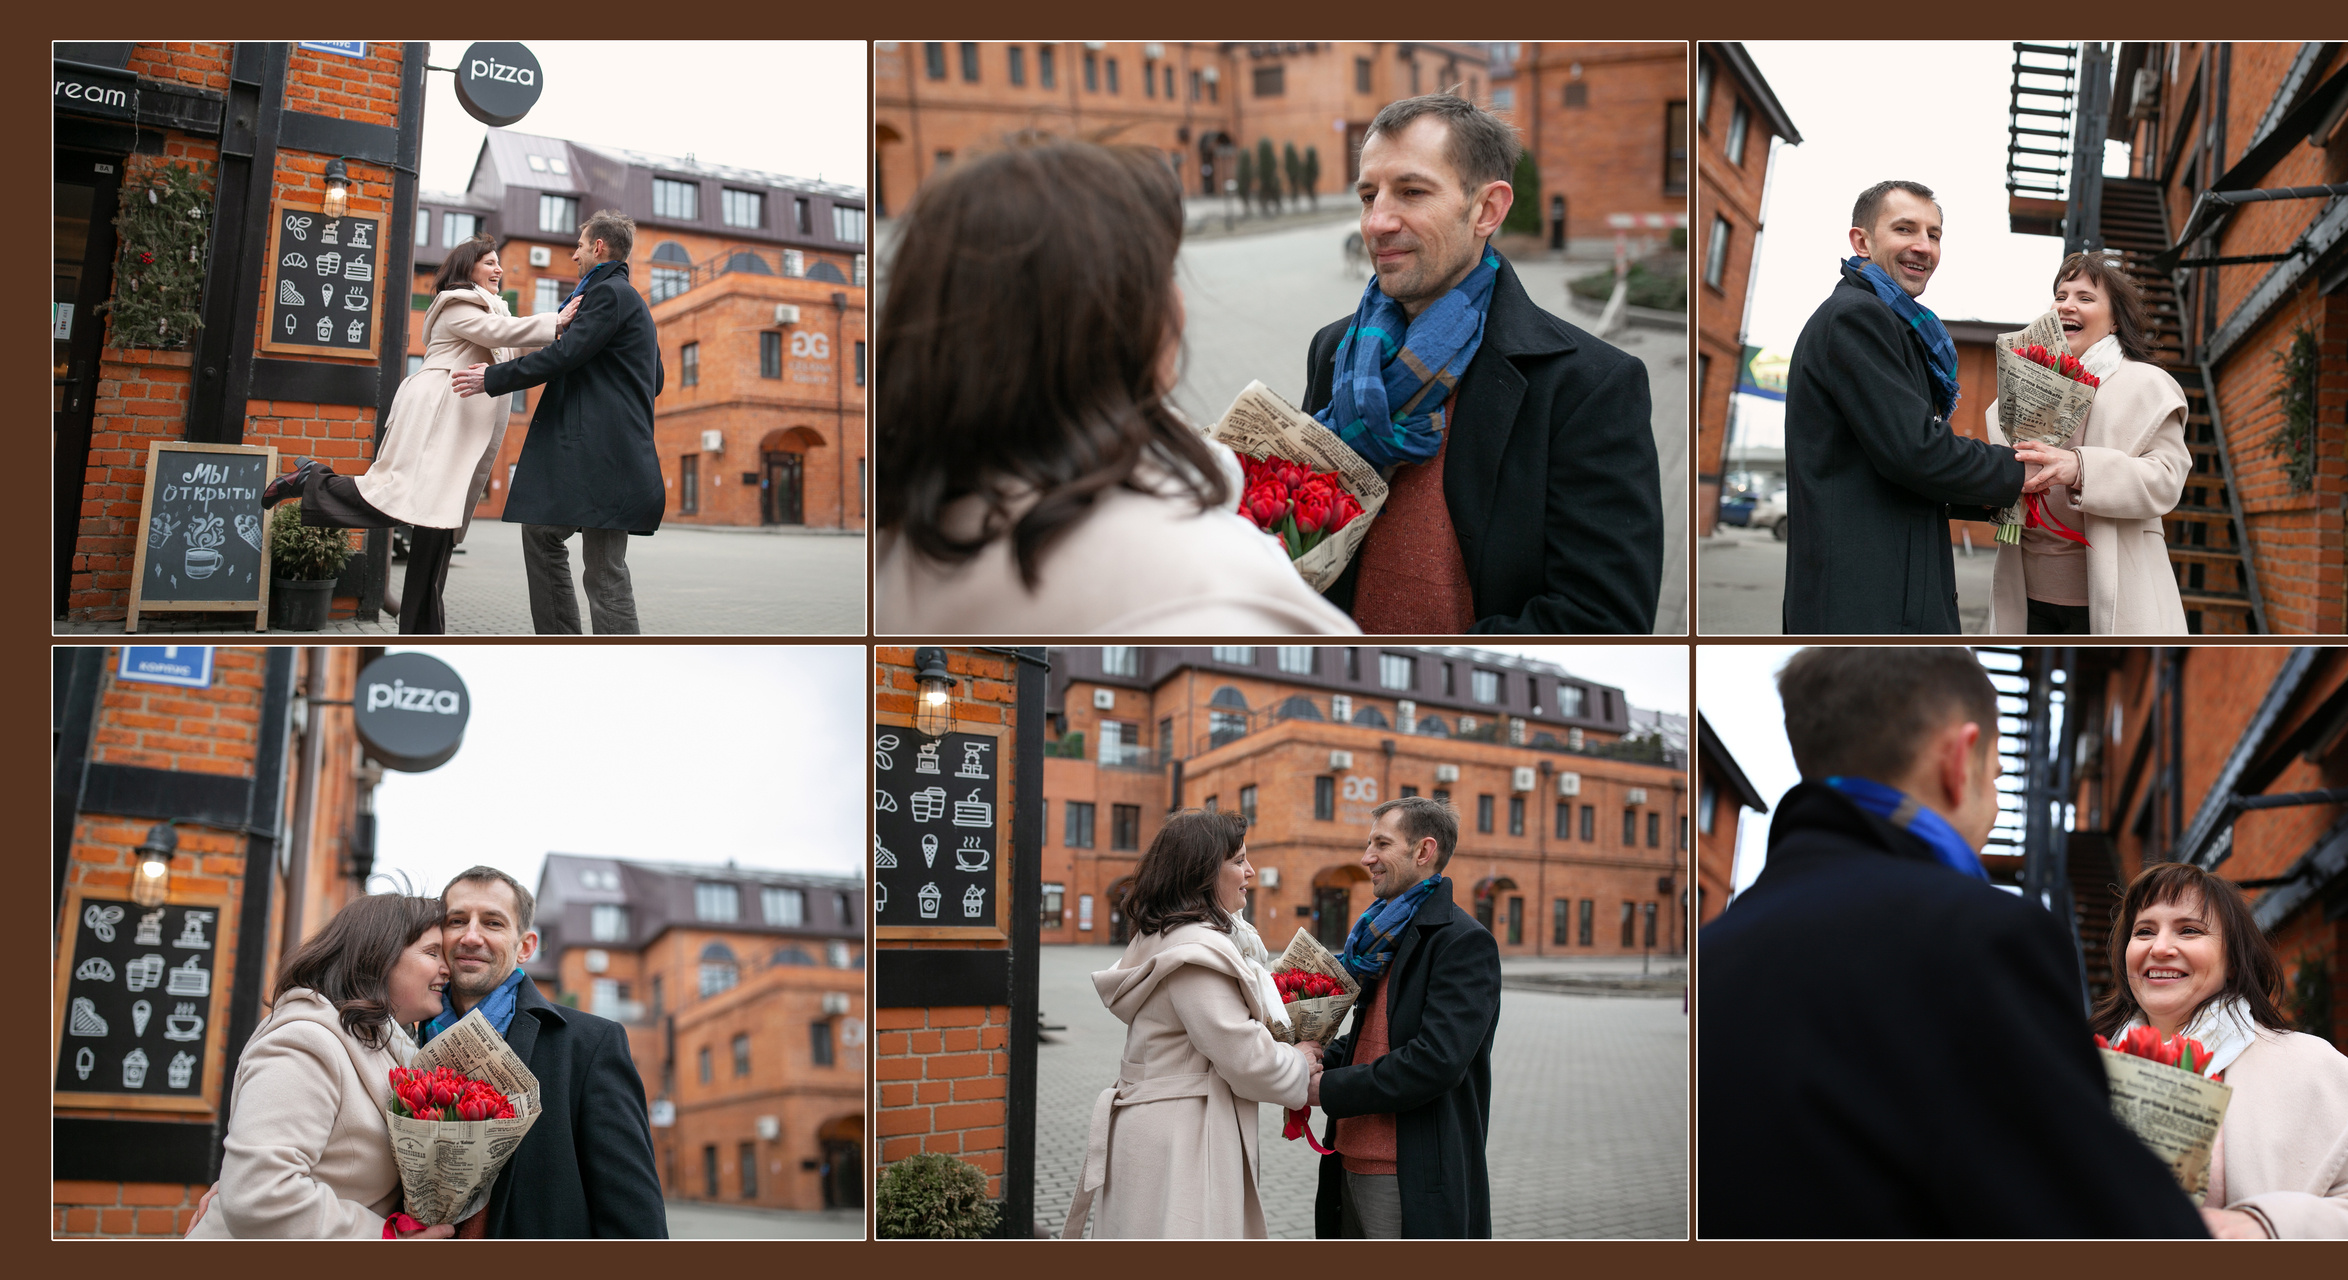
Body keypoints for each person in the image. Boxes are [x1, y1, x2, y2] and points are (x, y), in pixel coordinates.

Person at [1695, 648, 2206, 1237]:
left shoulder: (1714, 949)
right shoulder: (1980, 936)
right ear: (1959, 761)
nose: (1992, 801)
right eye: (1995, 778)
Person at [874, 138, 1356, 635]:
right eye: (1163, 275)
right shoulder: (1203, 585)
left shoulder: (902, 539)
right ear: (1108, 322)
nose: (1179, 303)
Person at [1304, 94, 1662, 634]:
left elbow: (1600, 617)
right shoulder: (1333, 351)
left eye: (1412, 192)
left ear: (1487, 210)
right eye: (1368, 195)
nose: (1377, 222)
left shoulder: (1588, 385)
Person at [259, 236, 576, 633]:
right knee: (396, 495)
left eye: (499, 264)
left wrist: (561, 335)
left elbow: (511, 343)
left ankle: (423, 629)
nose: (498, 271)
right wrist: (555, 321)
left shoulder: (492, 308)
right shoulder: (457, 305)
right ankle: (313, 481)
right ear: (467, 268)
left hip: (457, 426)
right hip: (436, 418)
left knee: (436, 525)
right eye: (490, 263)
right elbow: (498, 332)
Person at [2092, 862, 2348, 1238]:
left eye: (2189, 930)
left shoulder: (2304, 1063)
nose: (2160, 947)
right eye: (2144, 931)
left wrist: (2261, 1226)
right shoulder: (2084, 1065)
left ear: (2234, 962)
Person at [1783, 181, 2026, 634]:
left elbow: (1894, 465)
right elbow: (1916, 451)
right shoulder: (1859, 317)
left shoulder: (1895, 324)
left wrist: (2003, 497)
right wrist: (2023, 470)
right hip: (1864, 606)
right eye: (1905, 229)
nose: (1923, 246)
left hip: (1885, 593)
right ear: (1862, 241)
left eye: (1933, 235)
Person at [1066, 810, 1319, 1238]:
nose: (1250, 871)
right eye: (1239, 860)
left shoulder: (1166, 936)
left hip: (1158, 1129)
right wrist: (1299, 1061)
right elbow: (1245, 1058)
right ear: (1203, 872)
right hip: (1182, 1138)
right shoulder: (1196, 953)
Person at [189, 894, 456, 1239]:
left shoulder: (385, 1047)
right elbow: (260, 1195)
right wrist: (385, 1240)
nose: (446, 969)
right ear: (379, 953)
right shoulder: (305, 1042)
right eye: (432, 952)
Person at [452, 212, 663, 635]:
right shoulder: (629, 300)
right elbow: (654, 380)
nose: (574, 254)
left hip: (604, 457)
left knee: (586, 561)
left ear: (599, 248)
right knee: (595, 564)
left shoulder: (607, 295)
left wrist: (491, 378)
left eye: (581, 245)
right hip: (618, 457)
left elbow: (566, 356)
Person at [430, 867, 665, 1237]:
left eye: (492, 923)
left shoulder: (591, 1045)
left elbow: (635, 1222)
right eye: (457, 921)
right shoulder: (401, 1039)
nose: (471, 937)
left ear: (524, 946)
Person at [1312, 796, 1500, 1238]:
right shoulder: (1379, 938)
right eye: (1368, 843)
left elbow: (1435, 1061)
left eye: (1381, 843)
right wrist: (1308, 1057)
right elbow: (1371, 1039)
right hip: (1347, 1154)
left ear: (1423, 851)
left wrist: (1327, 1087)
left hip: (1406, 1170)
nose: (1366, 858)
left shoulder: (1462, 942)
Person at [1989, 253, 2194, 634]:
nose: (2067, 304)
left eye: (2085, 298)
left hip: (2115, 596)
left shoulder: (2148, 385)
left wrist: (2080, 468)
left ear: (2115, 320)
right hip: (2027, 594)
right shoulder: (2024, 379)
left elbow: (2167, 480)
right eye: (2060, 295)